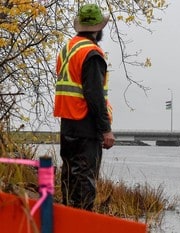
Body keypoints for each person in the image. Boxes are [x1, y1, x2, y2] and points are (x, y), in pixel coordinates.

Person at [53, 3, 115, 211]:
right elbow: (94, 95)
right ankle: (82, 222)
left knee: (69, 174)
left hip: (68, 122)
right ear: (98, 28)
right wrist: (105, 129)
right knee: (86, 179)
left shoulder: (68, 49)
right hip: (86, 123)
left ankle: (68, 219)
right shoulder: (92, 53)